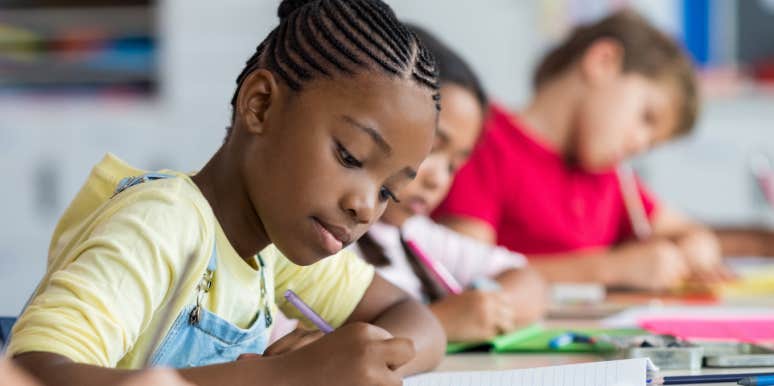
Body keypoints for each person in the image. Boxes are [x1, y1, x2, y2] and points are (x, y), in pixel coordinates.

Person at [8, 1, 446, 385]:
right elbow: (33, 373)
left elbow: (416, 318)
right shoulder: (162, 225)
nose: (365, 206)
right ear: (260, 105)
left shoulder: (272, 251)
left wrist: (363, 361)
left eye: (389, 190)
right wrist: (284, 376)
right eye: (350, 156)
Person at [434, 10, 727, 291]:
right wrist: (611, 269)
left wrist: (697, 244)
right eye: (646, 117)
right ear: (603, 62)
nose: (640, 144)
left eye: (651, 143)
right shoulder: (484, 139)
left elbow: (687, 229)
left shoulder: (606, 175)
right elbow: (464, 273)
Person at [353, 25, 546, 343]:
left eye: (455, 164)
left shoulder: (412, 234)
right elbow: (333, 348)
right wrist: (441, 323)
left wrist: (486, 305)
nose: (438, 179)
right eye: (432, 148)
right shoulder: (331, 241)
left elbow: (530, 280)